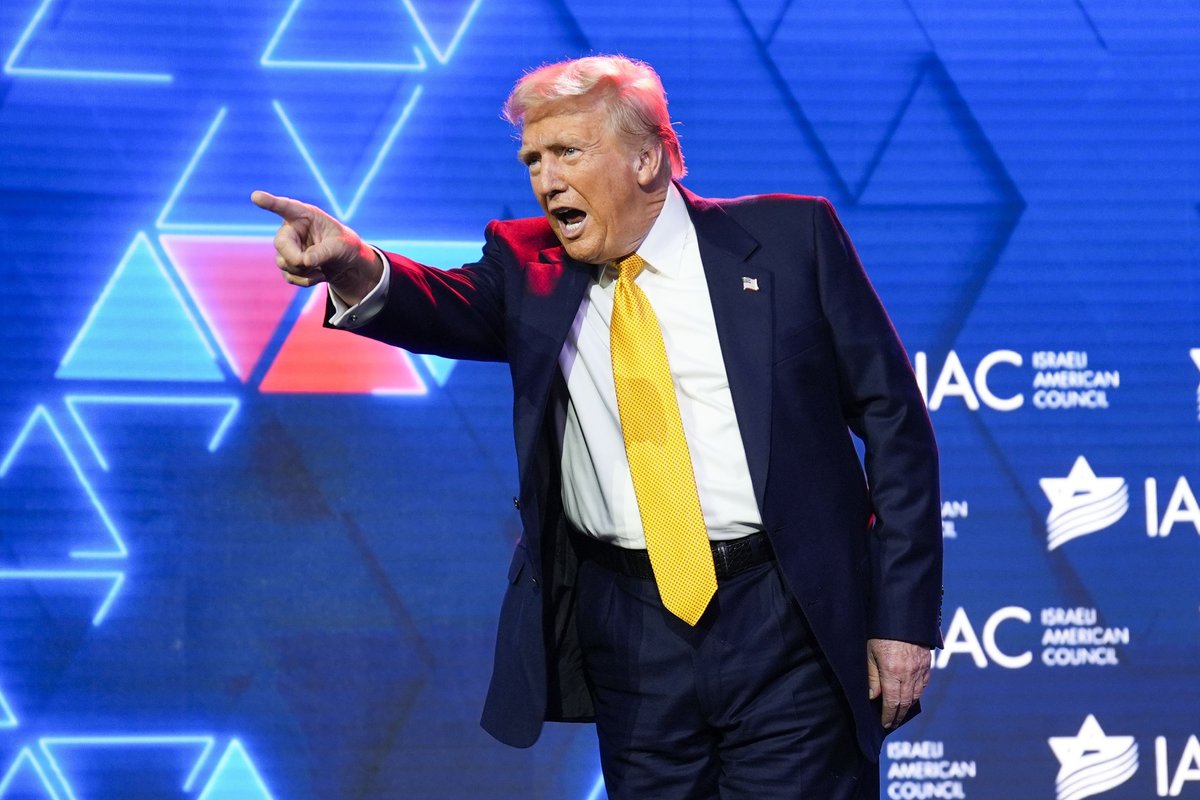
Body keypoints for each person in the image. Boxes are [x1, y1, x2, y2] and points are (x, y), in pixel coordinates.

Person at [252, 54, 942, 800]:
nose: (546, 180)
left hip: (786, 613)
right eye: (533, 159)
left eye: (567, 153)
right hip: (630, 628)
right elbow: (436, 303)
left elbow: (895, 426)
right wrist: (352, 263)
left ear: (647, 159)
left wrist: (901, 619)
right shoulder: (528, 266)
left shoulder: (788, 241)